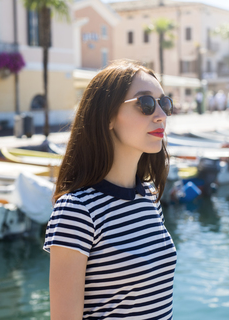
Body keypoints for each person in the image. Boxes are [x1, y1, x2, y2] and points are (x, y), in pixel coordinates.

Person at [43, 60, 177, 319]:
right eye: (146, 104)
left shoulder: (148, 196)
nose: (160, 114)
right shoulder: (77, 211)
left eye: (164, 103)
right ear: (106, 117)